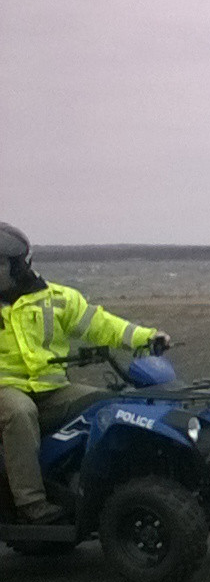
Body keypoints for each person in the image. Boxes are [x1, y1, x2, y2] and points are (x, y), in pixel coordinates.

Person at [0, 221, 170, 524]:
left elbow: (99, 324)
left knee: (110, 407)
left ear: (15, 265)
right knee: (19, 414)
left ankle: (94, 485)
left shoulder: (56, 298)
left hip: (52, 390)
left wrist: (146, 337)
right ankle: (31, 504)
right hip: (6, 391)